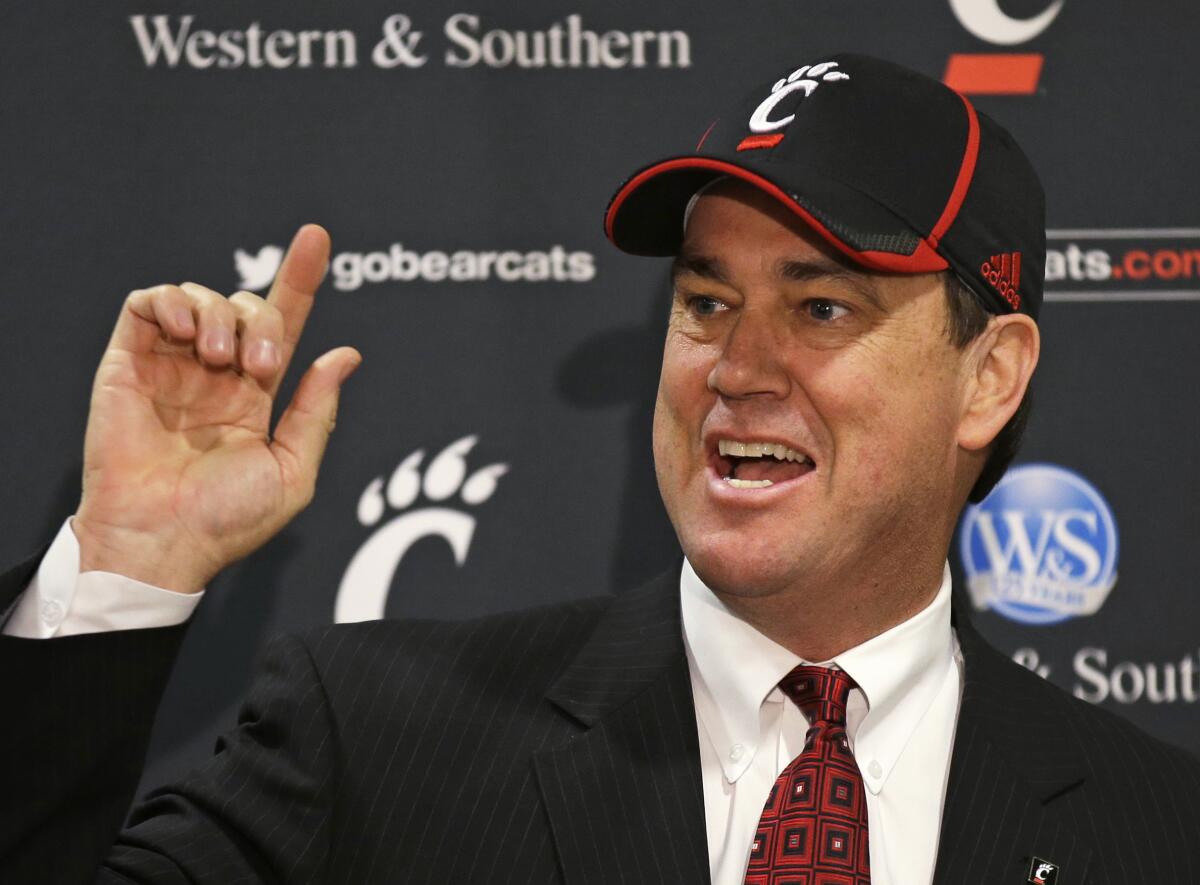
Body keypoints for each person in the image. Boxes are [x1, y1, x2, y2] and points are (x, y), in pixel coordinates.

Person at [2, 52, 1198, 885]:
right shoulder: (371, 741)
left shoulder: (1159, 832)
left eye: (822, 307)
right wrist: (125, 567)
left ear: (988, 378)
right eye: (705, 299)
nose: (736, 366)